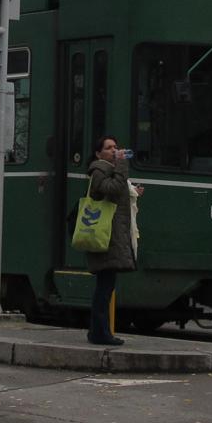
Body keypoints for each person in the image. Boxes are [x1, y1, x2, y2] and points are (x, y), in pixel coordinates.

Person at [83, 136, 141, 346]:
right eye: (109, 148)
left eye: (116, 147)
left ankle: (98, 331)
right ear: (99, 153)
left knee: (106, 287)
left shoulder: (107, 170)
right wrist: (122, 164)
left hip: (111, 237)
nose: (115, 151)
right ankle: (100, 333)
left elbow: (117, 192)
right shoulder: (98, 170)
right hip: (105, 237)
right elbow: (112, 189)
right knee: (104, 288)